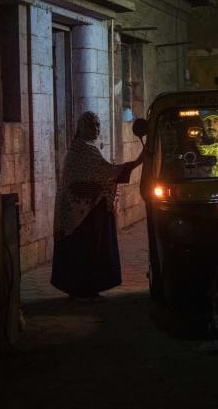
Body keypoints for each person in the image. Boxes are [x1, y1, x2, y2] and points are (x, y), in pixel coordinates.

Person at [51, 111, 144, 302]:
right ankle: (82, 289)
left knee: (85, 250)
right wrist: (137, 162)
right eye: (92, 125)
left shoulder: (83, 148)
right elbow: (107, 172)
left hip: (84, 210)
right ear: (81, 127)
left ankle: (85, 289)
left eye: (98, 125)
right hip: (81, 214)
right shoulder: (84, 150)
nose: (96, 129)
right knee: (84, 250)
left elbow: (100, 174)